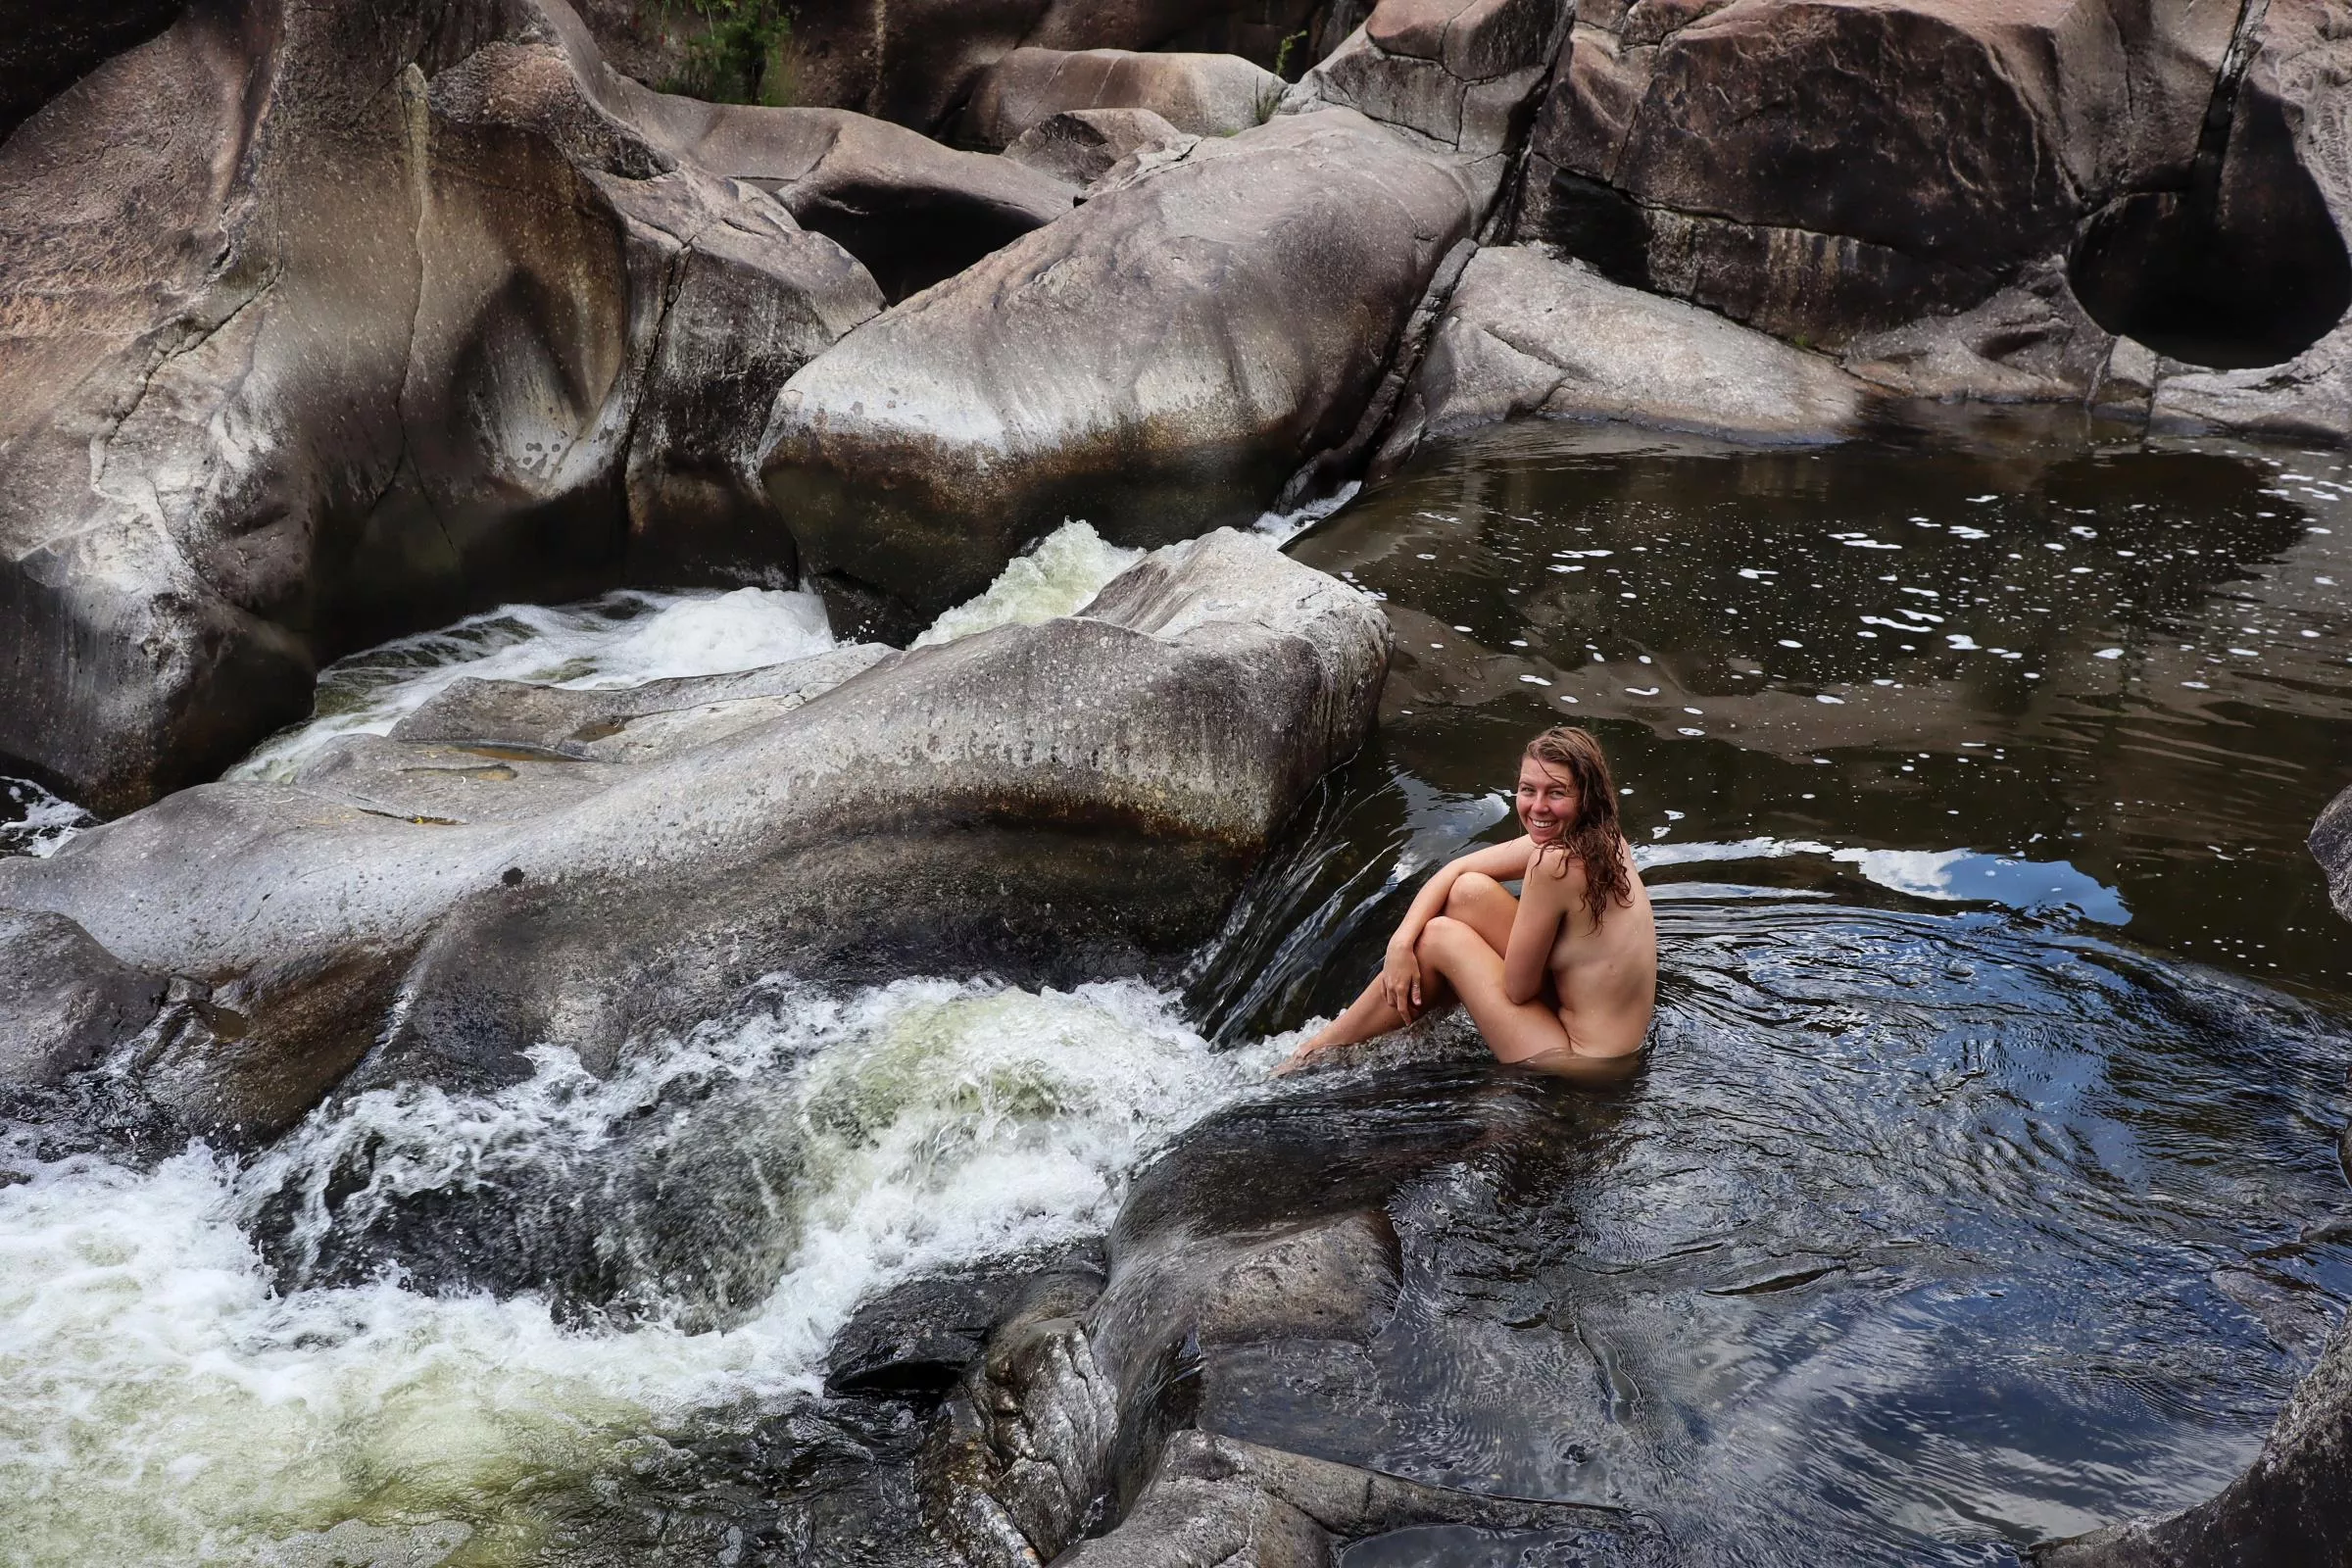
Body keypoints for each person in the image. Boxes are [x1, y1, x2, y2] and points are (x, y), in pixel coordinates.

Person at [1276, 725, 1657, 1080]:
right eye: (1528, 790)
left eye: (1556, 793)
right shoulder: (1607, 839)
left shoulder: (1553, 865)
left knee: (1442, 937)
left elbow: (1519, 989)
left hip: (1581, 1064)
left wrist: (1449, 954)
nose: (1537, 806)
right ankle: (1401, 1022)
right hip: (1618, 1045)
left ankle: (1317, 1051)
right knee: (1467, 893)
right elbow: (1456, 870)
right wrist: (1400, 943)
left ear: (1585, 797)